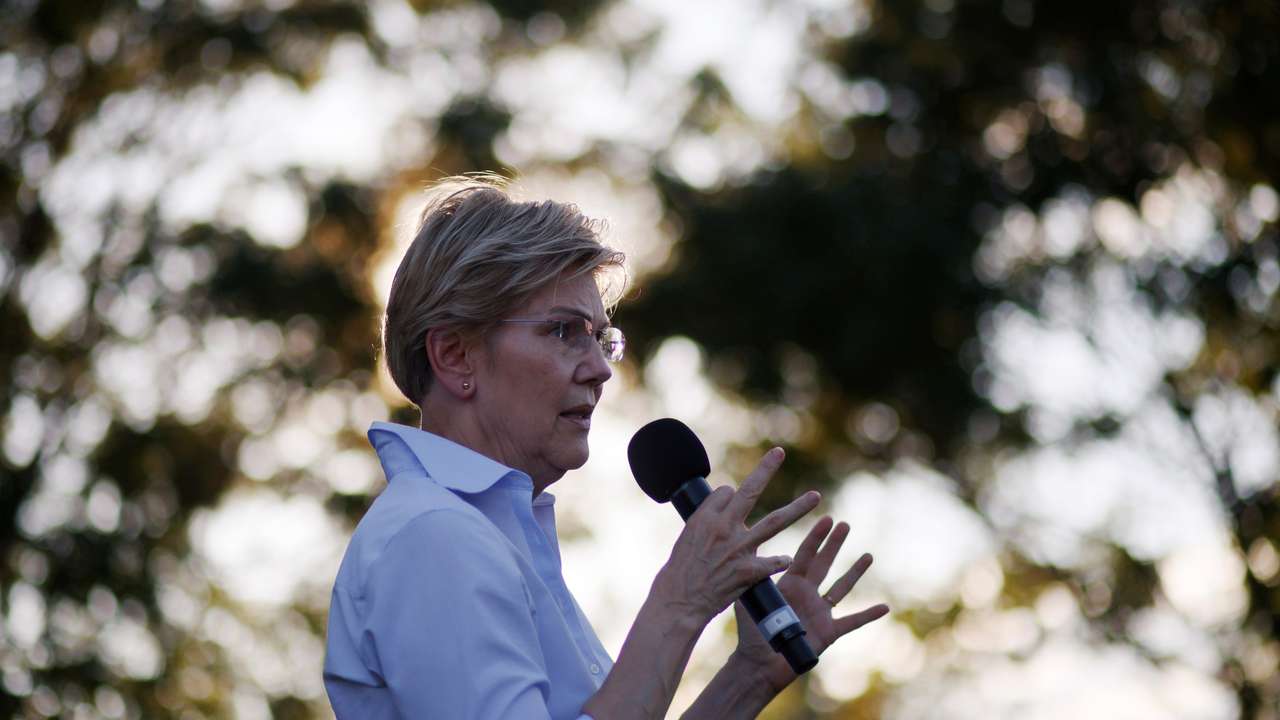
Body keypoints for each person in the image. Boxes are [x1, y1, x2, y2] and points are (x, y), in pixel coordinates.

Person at [323, 176, 889, 719]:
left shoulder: (489, 533)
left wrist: (750, 676)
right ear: (455, 356)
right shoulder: (433, 535)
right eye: (563, 331)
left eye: (600, 338)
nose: (599, 370)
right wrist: (678, 605)